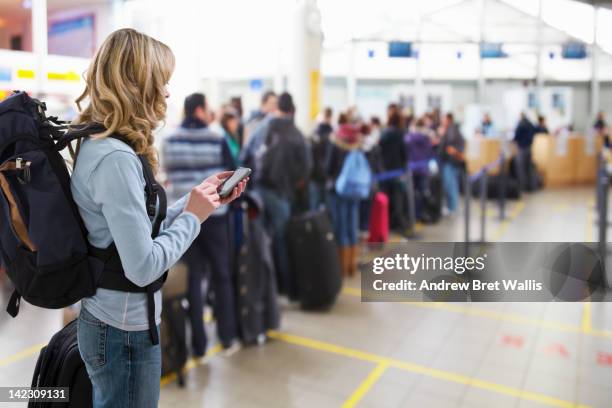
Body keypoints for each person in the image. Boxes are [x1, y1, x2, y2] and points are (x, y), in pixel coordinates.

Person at [70, 29, 246, 408]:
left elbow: (135, 232)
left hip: (120, 324)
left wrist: (195, 200)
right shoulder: (115, 159)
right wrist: (194, 219)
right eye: (162, 83)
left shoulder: (104, 145)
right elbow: (143, 266)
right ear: (138, 84)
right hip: (121, 332)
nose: (167, 94)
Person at [162, 93, 241, 358]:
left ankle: (197, 346)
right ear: (198, 110)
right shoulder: (216, 137)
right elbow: (230, 174)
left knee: (193, 279)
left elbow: (169, 174)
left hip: (186, 217)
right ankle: (228, 338)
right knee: (221, 275)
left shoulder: (169, 140)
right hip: (216, 218)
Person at [255, 92, 312, 299]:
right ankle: (286, 287)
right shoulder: (297, 134)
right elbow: (306, 168)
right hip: (282, 194)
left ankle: (268, 287)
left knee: (263, 239)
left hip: (260, 190)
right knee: (283, 240)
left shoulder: (266, 128)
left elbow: (249, 155)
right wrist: (292, 185)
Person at [326, 122, 364, 276]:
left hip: (338, 191)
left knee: (341, 227)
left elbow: (328, 168)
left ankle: (342, 268)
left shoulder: (336, 145)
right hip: (355, 192)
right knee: (352, 227)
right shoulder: (358, 147)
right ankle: (352, 267)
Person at [379, 106, 410, 234]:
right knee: (398, 197)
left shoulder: (384, 134)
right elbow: (404, 153)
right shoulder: (401, 134)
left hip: (385, 171)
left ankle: (388, 223)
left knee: (387, 198)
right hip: (398, 170)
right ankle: (399, 223)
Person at [405, 117, 435, 220]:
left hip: (411, 168)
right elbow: (429, 152)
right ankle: (419, 213)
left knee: (412, 192)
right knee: (422, 192)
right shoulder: (425, 138)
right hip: (422, 168)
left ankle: (412, 213)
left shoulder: (408, 137)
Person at [240, 91, 278, 173]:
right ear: (263, 104)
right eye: (271, 103)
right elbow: (246, 146)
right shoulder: (252, 122)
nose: (274, 107)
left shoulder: (276, 123)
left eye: (276, 104)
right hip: (255, 168)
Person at [438, 113, 465, 214]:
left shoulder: (451, 130)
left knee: (450, 184)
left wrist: (442, 135)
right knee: (451, 184)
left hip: (451, 161)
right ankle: (452, 206)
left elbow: (449, 144)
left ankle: (452, 207)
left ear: (449, 119)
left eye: (444, 119)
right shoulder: (454, 129)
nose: (442, 120)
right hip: (452, 161)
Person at [309, 106, 334, 210]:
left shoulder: (314, 134)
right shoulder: (333, 135)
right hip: (328, 176)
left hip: (315, 175)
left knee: (314, 206)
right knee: (328, 208)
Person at [513, 112, 536, 192]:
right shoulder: (530, 124)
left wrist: (515, 141)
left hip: (522, 148)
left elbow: (516, 136)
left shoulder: (520, 124)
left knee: (521, 168)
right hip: (529, 148)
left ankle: (522, 187)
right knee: (529, 168)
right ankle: (532, 186)